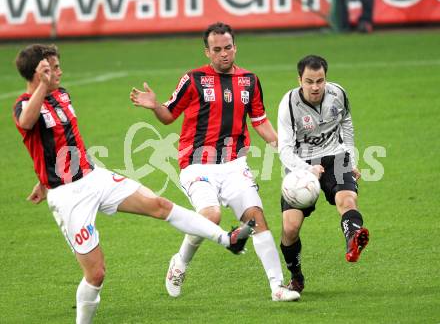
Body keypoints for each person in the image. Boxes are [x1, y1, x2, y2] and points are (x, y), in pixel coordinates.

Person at [13, 44, 255, 324]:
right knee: (96, 274)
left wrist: (41, 177)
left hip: (94, 177)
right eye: (50, 68)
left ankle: (228, 240)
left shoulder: (62, 94)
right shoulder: (24, 104)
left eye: (56, 66)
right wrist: (47, 181)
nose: (58, 72)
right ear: (36, 74)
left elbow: (58, 142)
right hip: (68, 197)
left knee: (159, 204)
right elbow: (26, 122)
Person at [130, 22, 299, 302]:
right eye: (217, 49)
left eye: (228, 47)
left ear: (235, 47)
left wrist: (285, 148)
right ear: (207, 52)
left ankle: (277, 287)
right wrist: (155, 105)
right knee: (211, 216)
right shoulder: (194, 79)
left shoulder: (249, 81)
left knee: (256, 219)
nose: (224, 54)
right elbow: (169, 115)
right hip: (197, 164)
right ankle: (180, 263)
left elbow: (260, 121)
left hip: (234, 164)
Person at [277, 55, 369, 293]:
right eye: (309, 81)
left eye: (320, 81)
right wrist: (307, 169)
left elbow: (346, 126)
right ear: (299, 80)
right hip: (301, 164)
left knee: (347, 199)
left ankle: (353, 238)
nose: (315, 87)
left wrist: (352, 161)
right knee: (290, 228)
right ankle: (296, 276)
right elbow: (284, 149)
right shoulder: (288, 104)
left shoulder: (338, 93)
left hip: (335, 156)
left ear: (326, 78)